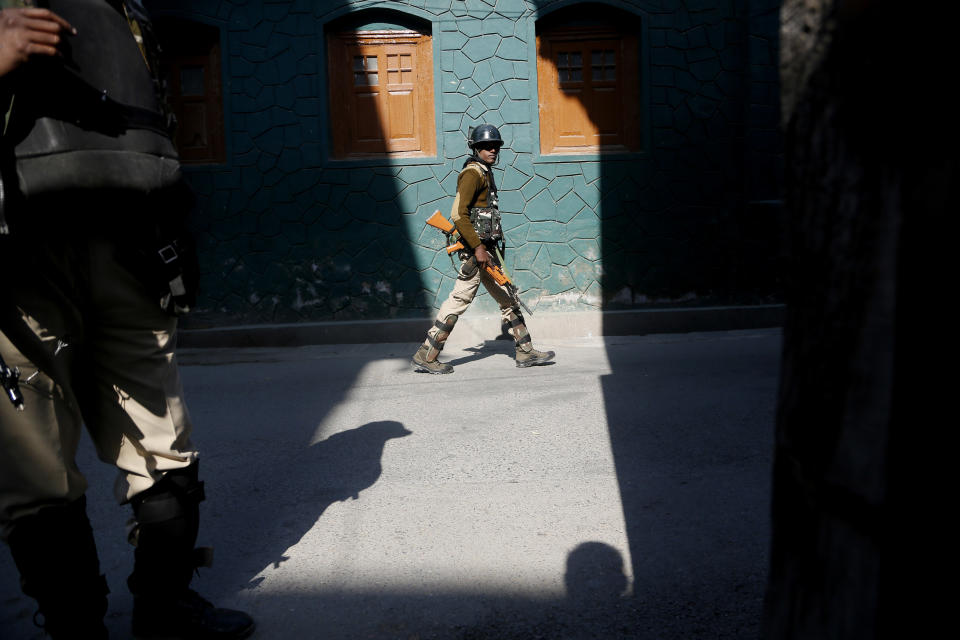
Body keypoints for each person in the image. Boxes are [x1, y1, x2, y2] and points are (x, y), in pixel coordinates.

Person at [0, 2, 254, 638]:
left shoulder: (128, 9)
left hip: (134, 243)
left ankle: (164, 608)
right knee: (36, 471)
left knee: (164, 446)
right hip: (21, 255)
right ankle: (76, 626)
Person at [412, 124, 555, 374]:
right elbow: (458, 214)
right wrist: (477, 248)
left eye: (495, 146)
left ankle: (525, 351)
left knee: (508, 297)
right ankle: (427, 354)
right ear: (475, 148)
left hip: (486, 252)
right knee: (459, 301)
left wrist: (485, 248)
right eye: (486, 146)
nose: (492, 150)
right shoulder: (472, 173)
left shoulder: (485, 172)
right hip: (476, 253)